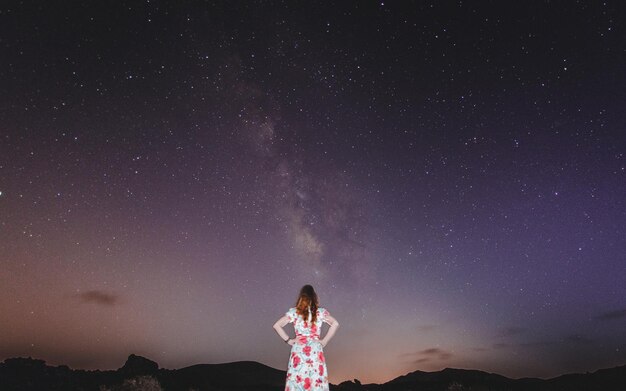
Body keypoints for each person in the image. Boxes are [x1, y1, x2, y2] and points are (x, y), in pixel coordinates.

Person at [273, 285, 340, 391]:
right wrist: (324, 341)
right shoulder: (320, 312)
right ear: (314, 297)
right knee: (316, 382)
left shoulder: (295, 312)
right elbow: (335, 323)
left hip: (299, 351)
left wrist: (289, 340)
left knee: (297, 382)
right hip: (315, 351)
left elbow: (276, 325)